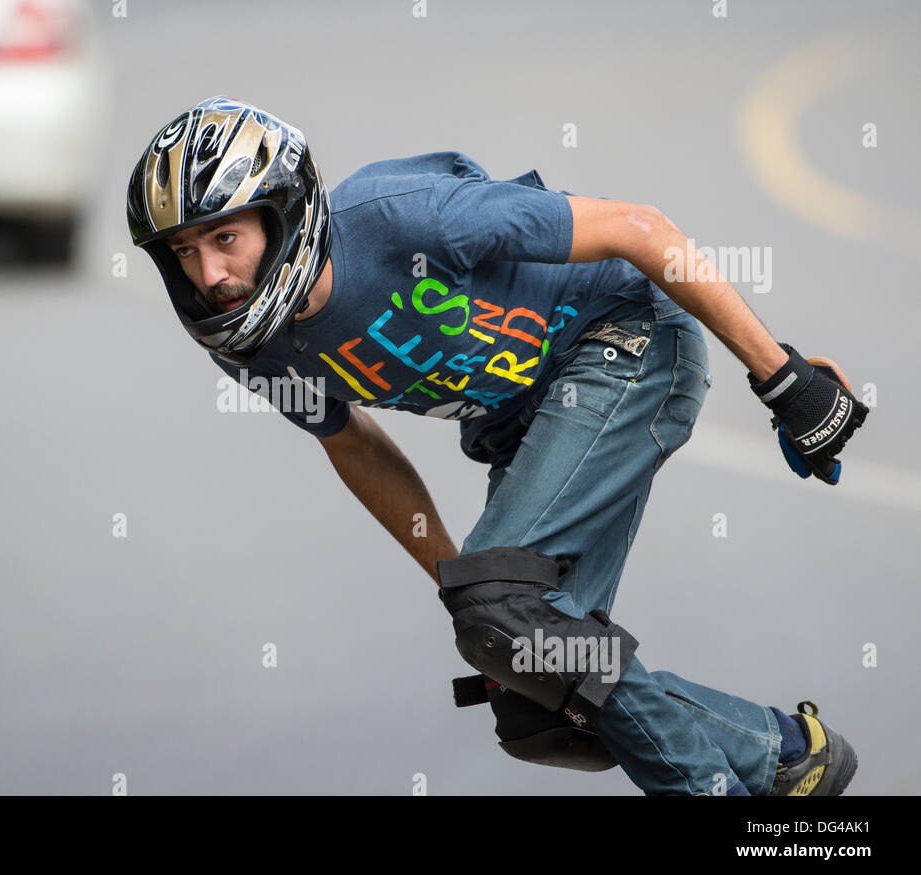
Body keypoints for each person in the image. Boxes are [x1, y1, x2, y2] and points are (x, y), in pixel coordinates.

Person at [125, 95, 868, 796]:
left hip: (624, 339)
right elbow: (355, 446)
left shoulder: (405, 219)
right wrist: (463, 595)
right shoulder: (250, 343)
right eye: (184, 252)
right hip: (522, 415)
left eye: (226, 238)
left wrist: (781, 377)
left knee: (513, 619)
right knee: (538, 691)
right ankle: (788, 756)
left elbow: (640, 229)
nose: (211, 275)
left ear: (284, 216)